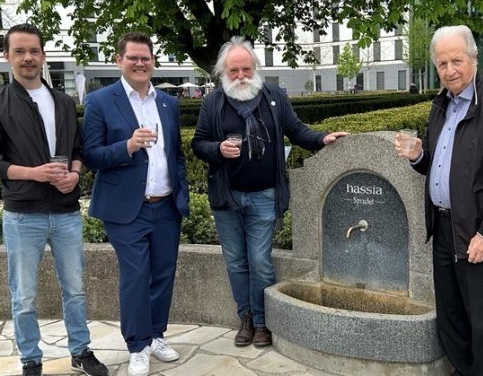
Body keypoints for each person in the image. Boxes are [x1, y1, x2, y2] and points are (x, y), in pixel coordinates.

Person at [191, 36, 348, 348]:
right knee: (236, 261)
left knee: (260, 260)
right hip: (227, 196)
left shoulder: (273, 96)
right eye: (233, 70)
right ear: (224, 72)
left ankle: (262, 322)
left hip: (264, 195)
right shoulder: (213, 102)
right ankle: (245, 317)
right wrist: (219, 149)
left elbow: (296, 130)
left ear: (255, 68)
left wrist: (321, 138)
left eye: (245, 69)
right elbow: (198, 143)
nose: (240, 76)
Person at [0, 23, 108, 376]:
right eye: (19, 51)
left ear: (43, 55)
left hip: (65, 212)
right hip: (23, 215)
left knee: (76, 290)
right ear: (7, 57)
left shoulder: (63, 102)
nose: (28, 58)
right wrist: (34, 173)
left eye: (33, 50)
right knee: (23, 296)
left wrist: (75, 174)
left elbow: (78, 151)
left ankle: (81, 351)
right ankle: (31, 360)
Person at [396, 25, 483, 375]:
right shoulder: (441, 105)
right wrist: (417, 154)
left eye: (457, 60)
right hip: (443, 226)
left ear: (474, 59)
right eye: (442, 63)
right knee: (451, 314)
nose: (450, 70)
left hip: (479, 231)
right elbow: (438, 166)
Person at [81, 32, 190, 376]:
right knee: (135, 275)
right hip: (126, 208)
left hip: (166, 206)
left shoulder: (168, 103)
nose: (141, 64)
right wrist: (127, 146)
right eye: (133, 58)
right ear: (119, 61)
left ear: (153, 62)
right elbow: (91, 156)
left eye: (146, 58)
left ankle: (156, 334)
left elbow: (176, 154)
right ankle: (137, 346)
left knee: (163, 274)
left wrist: (179, 190)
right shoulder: (100, 101)